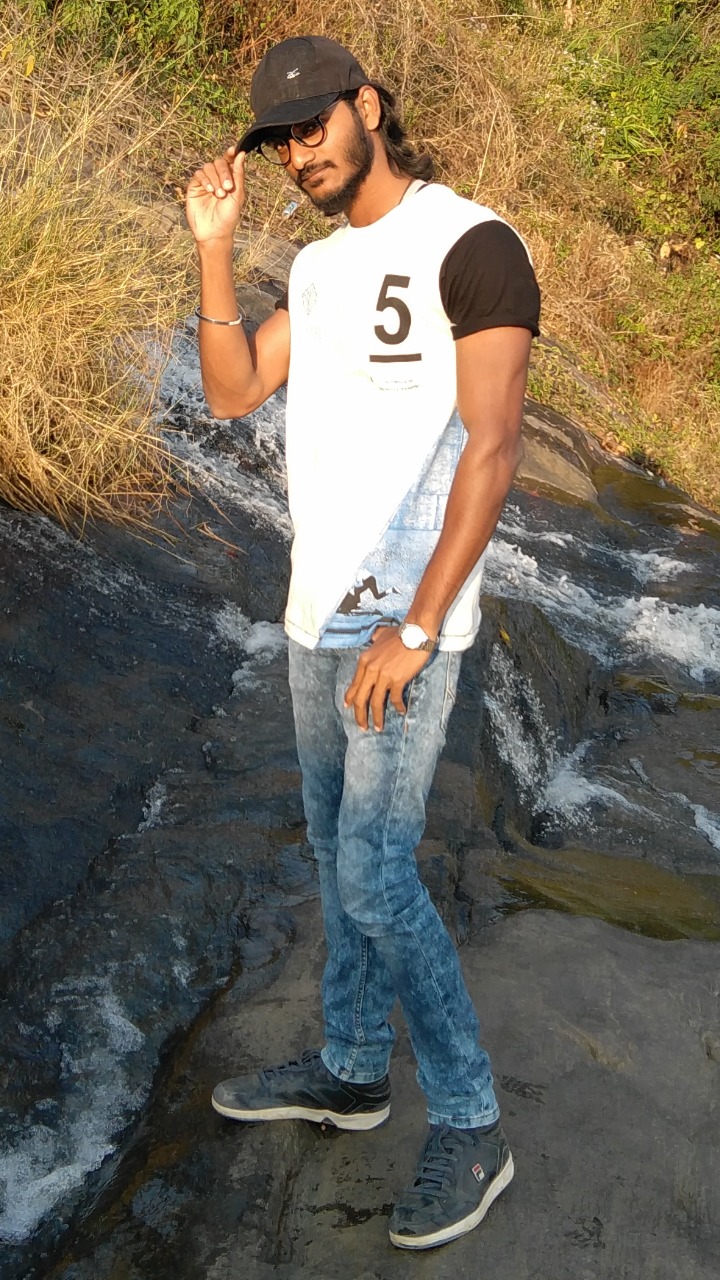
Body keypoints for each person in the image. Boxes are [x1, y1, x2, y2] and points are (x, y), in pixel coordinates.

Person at [185, 34, 540, 1251]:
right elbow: (233, 388)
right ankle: (349, 1067)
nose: (299, 153)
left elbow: (495, 445)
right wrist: (215, 249)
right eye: (278, 139)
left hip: (405, 626)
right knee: (339, 855)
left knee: (380, 872)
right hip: (315, 614)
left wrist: (422, 624)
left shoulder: (474, 244)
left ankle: (473, 1119)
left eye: (313, 124)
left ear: (366, 107)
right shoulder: (321, 269)